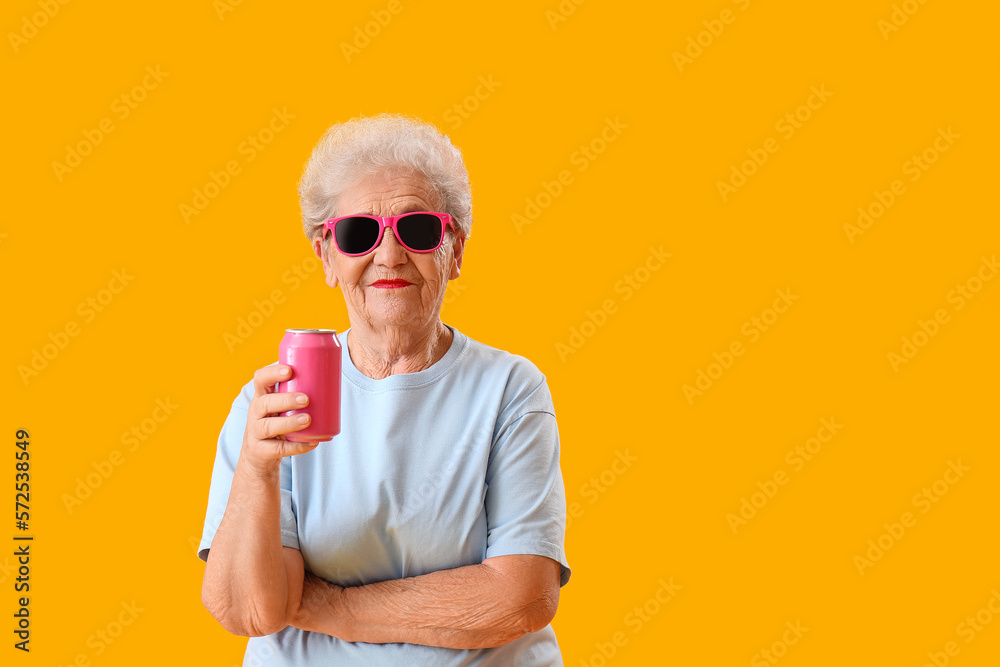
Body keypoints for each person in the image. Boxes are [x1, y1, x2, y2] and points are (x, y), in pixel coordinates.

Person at [197, 113, 571, 665]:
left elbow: (520, 599)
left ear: (456, 250)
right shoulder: (275, 403)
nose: (389, 256)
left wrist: (334, 610)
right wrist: (256, 469)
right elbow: (250, 611)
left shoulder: (510, 389)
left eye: (417, 230)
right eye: (358, 233)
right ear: (327, 256)